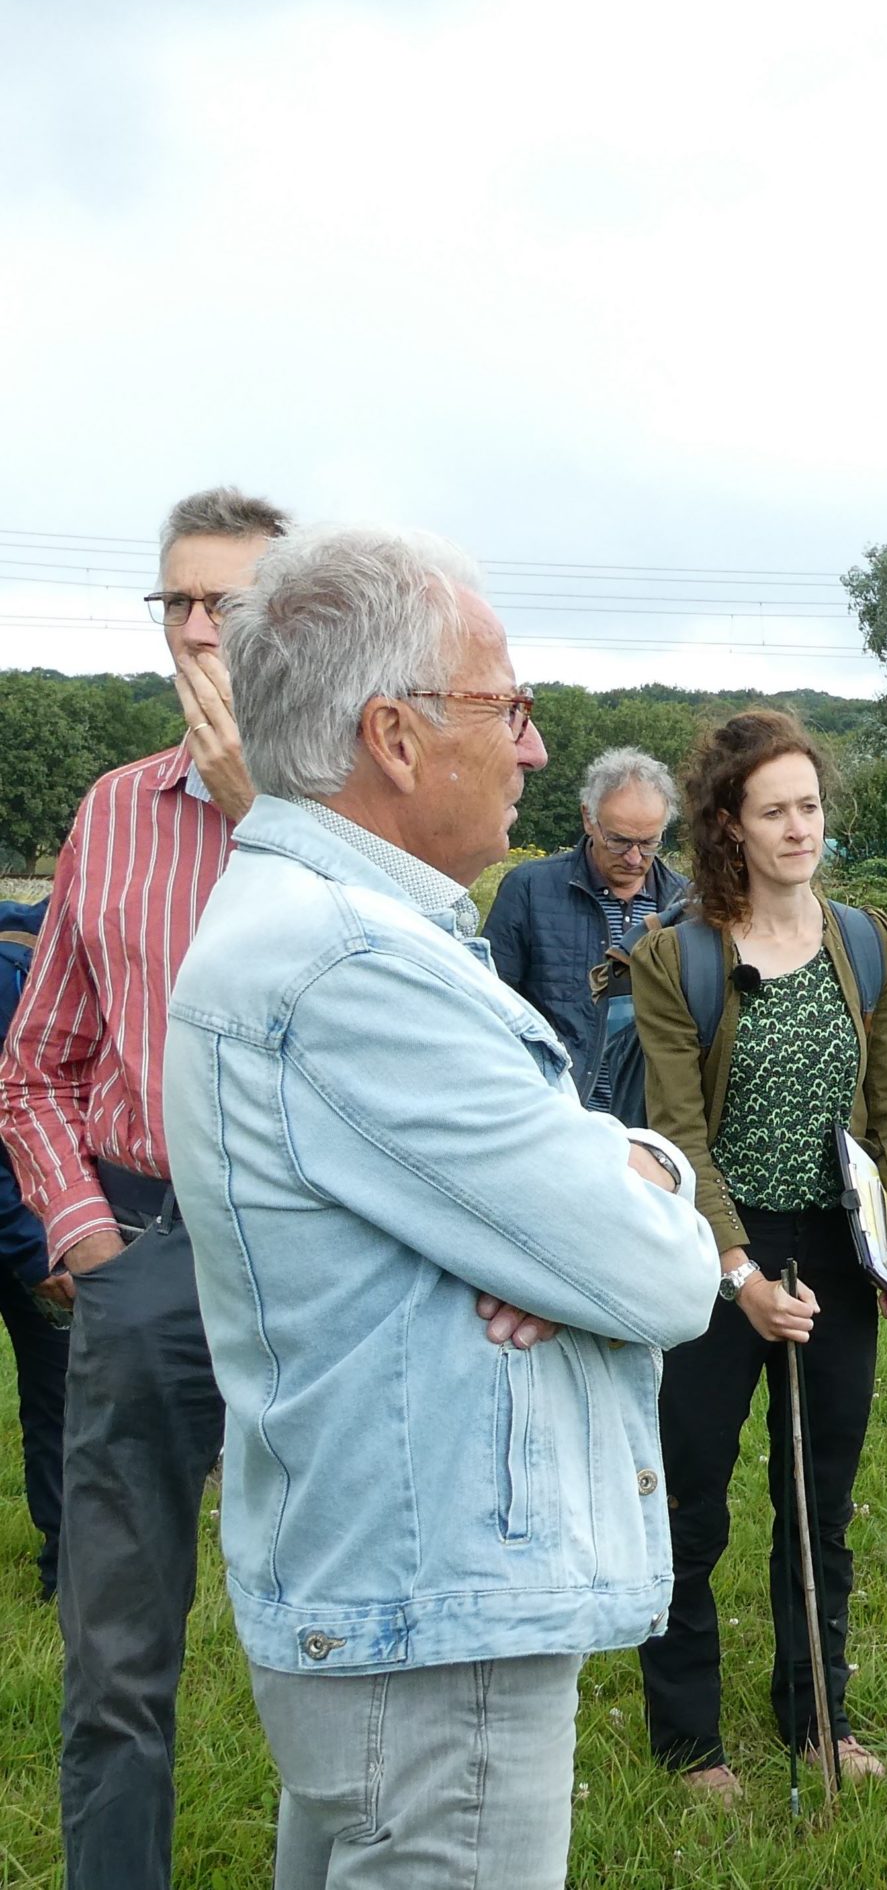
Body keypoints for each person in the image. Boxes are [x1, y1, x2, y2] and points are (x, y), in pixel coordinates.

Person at [160, 525, 720, 1887]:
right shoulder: (353, 962)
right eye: (508, 705)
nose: (532, 746)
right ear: (395, 737)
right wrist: (625, 1199)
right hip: (435, 1613)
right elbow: (660, 1275)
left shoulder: (329, 922)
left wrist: (631, 1174)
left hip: (398, 1581)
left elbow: (616, 1203)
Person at [0, 484, 286, 1890]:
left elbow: (444, 1017)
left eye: (221, 602)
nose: (191, 628)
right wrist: (89, 1235)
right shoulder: (111, 812)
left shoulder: (367, 807)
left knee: (347, 1639)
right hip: (144, 1247)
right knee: (114, 1660)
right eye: (173, 601)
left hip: (322, 1259)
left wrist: (262, 811)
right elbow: (34, 1059)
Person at [631, 709, 887, 1798]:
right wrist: (741, 1277)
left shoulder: (867, 941)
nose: (799, 828)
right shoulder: (677, 960)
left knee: (820, 1502)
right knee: (693, 1504)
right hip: (715, 1256)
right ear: (729, 827)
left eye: (809, 807)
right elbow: (679, 1139)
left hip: (837, 1249)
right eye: (775, 812)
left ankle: (819, 1722)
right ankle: (687, 1741)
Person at [485, 745, 689, 1108]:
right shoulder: (530, 889)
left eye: (648, 843)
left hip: (652, 1120)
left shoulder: (685, 905)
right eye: (619, 840)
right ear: (588, 819)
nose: (633, 857)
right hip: (557, 1110)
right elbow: (490, 1010)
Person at [0, 895, 69, 1602]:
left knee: (62, 1394)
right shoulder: (15, 973)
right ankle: (65, 1565)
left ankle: (66, 1564)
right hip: (29, 1231)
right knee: (60, 1398)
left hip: (35, 1223)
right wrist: (35, 1246)